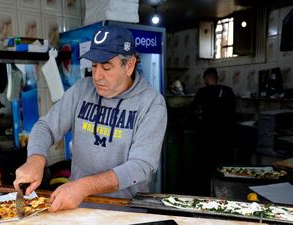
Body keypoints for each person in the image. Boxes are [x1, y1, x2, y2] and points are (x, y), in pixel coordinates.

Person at [14, 25, 167, 212]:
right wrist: (35, 160)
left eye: (106, 67)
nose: (97, 76)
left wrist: (84, 186)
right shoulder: (81, 90)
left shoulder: (151, 104)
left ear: (129, 65)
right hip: (77, 206)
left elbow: (140, 166)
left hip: (124, 211)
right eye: (94, 65)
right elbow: (45, 127)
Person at [190, 67, 236, 195]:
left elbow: (192, 109)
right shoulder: (228, 91)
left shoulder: (202, 92)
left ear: (206, 78)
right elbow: (233, 113)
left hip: (206, 136)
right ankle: (225, 192)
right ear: (217, 77)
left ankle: (206, 192)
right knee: (223, 166)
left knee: (206, 167)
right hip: (225, 137)